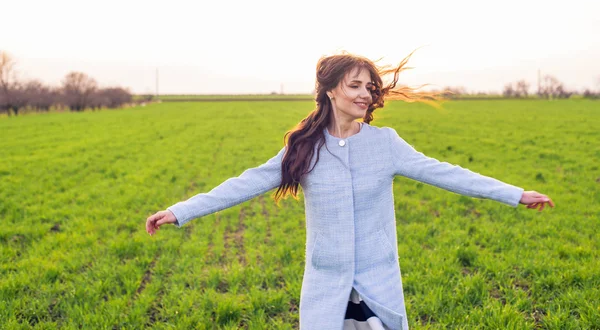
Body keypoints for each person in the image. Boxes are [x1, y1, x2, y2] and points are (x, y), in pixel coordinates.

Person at [146, 51, 554, 330]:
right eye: (355, 85)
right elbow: (246, 182)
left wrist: (514, 193)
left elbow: (446, 173)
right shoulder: (304, 147)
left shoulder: (385, 143)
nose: (365, 94)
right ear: (330, 91)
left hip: (377, 281)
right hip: (328, 281)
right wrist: (180, 210)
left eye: (369, 87)